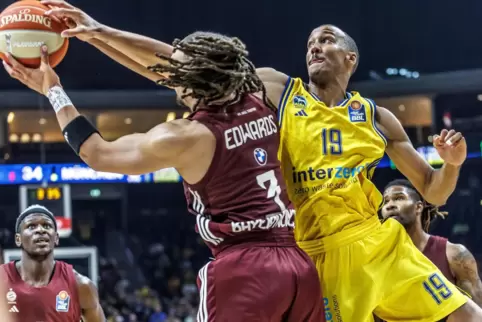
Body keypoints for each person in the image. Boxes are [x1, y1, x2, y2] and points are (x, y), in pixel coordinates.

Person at [28, 3, 482, 319]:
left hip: (356, 245)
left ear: (350, 57)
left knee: (467, 315)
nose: (314, 47)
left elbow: (433, 191)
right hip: (308, 254)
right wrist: (98, 32)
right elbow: (182, 66)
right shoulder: (275, 94)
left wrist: (453, 165)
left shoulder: (375, 117)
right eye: (309, 42)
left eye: (325, 40)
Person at [3, 33, 324, 321]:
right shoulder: (265, 88)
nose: (169, 74)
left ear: (189, 79)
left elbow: (97, 153)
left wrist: (53, 90)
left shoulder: (188, 136)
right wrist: (94, 31)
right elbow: (174, 66)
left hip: (245, 270)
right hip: (298, 263)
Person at [382, 179, 482, 306]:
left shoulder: (454, 255)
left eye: (399, 198)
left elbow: (478, 311)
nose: (390, 205)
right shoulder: (379, 259)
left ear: (418, 207)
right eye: (386, 201)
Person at [0, 205, 104, 322]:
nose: (40, 230)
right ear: (18, 239)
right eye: (31, 226)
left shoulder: (81, 286)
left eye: (47, 226)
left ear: (56, 238)